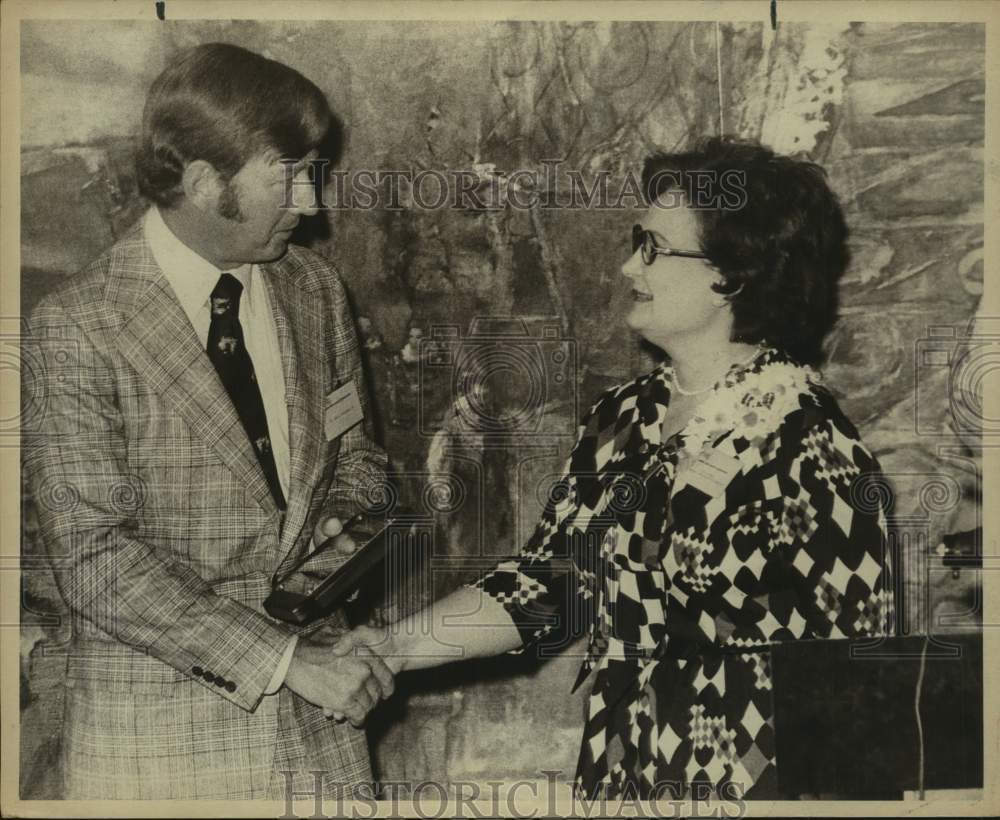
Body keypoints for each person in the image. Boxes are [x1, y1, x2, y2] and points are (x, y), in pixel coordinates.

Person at [338, 137, 895, 799]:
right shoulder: (625, 417)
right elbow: (549, 584)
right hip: (622, 775)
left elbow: (853, 693)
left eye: (654, 247)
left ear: (732, 276)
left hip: (750, 788)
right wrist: (393, 647)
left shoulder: (812, 448)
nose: (631, 265)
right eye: (638, 241)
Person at [22, 43, 394, 800]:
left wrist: (344, 519)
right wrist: (285, 661)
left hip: (325, 733)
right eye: (289, 176)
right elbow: (94, 557)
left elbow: (358, 454)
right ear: (202, 183)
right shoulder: (77, 326)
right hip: (160, 750)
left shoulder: (314, 289)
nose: (312, 204)